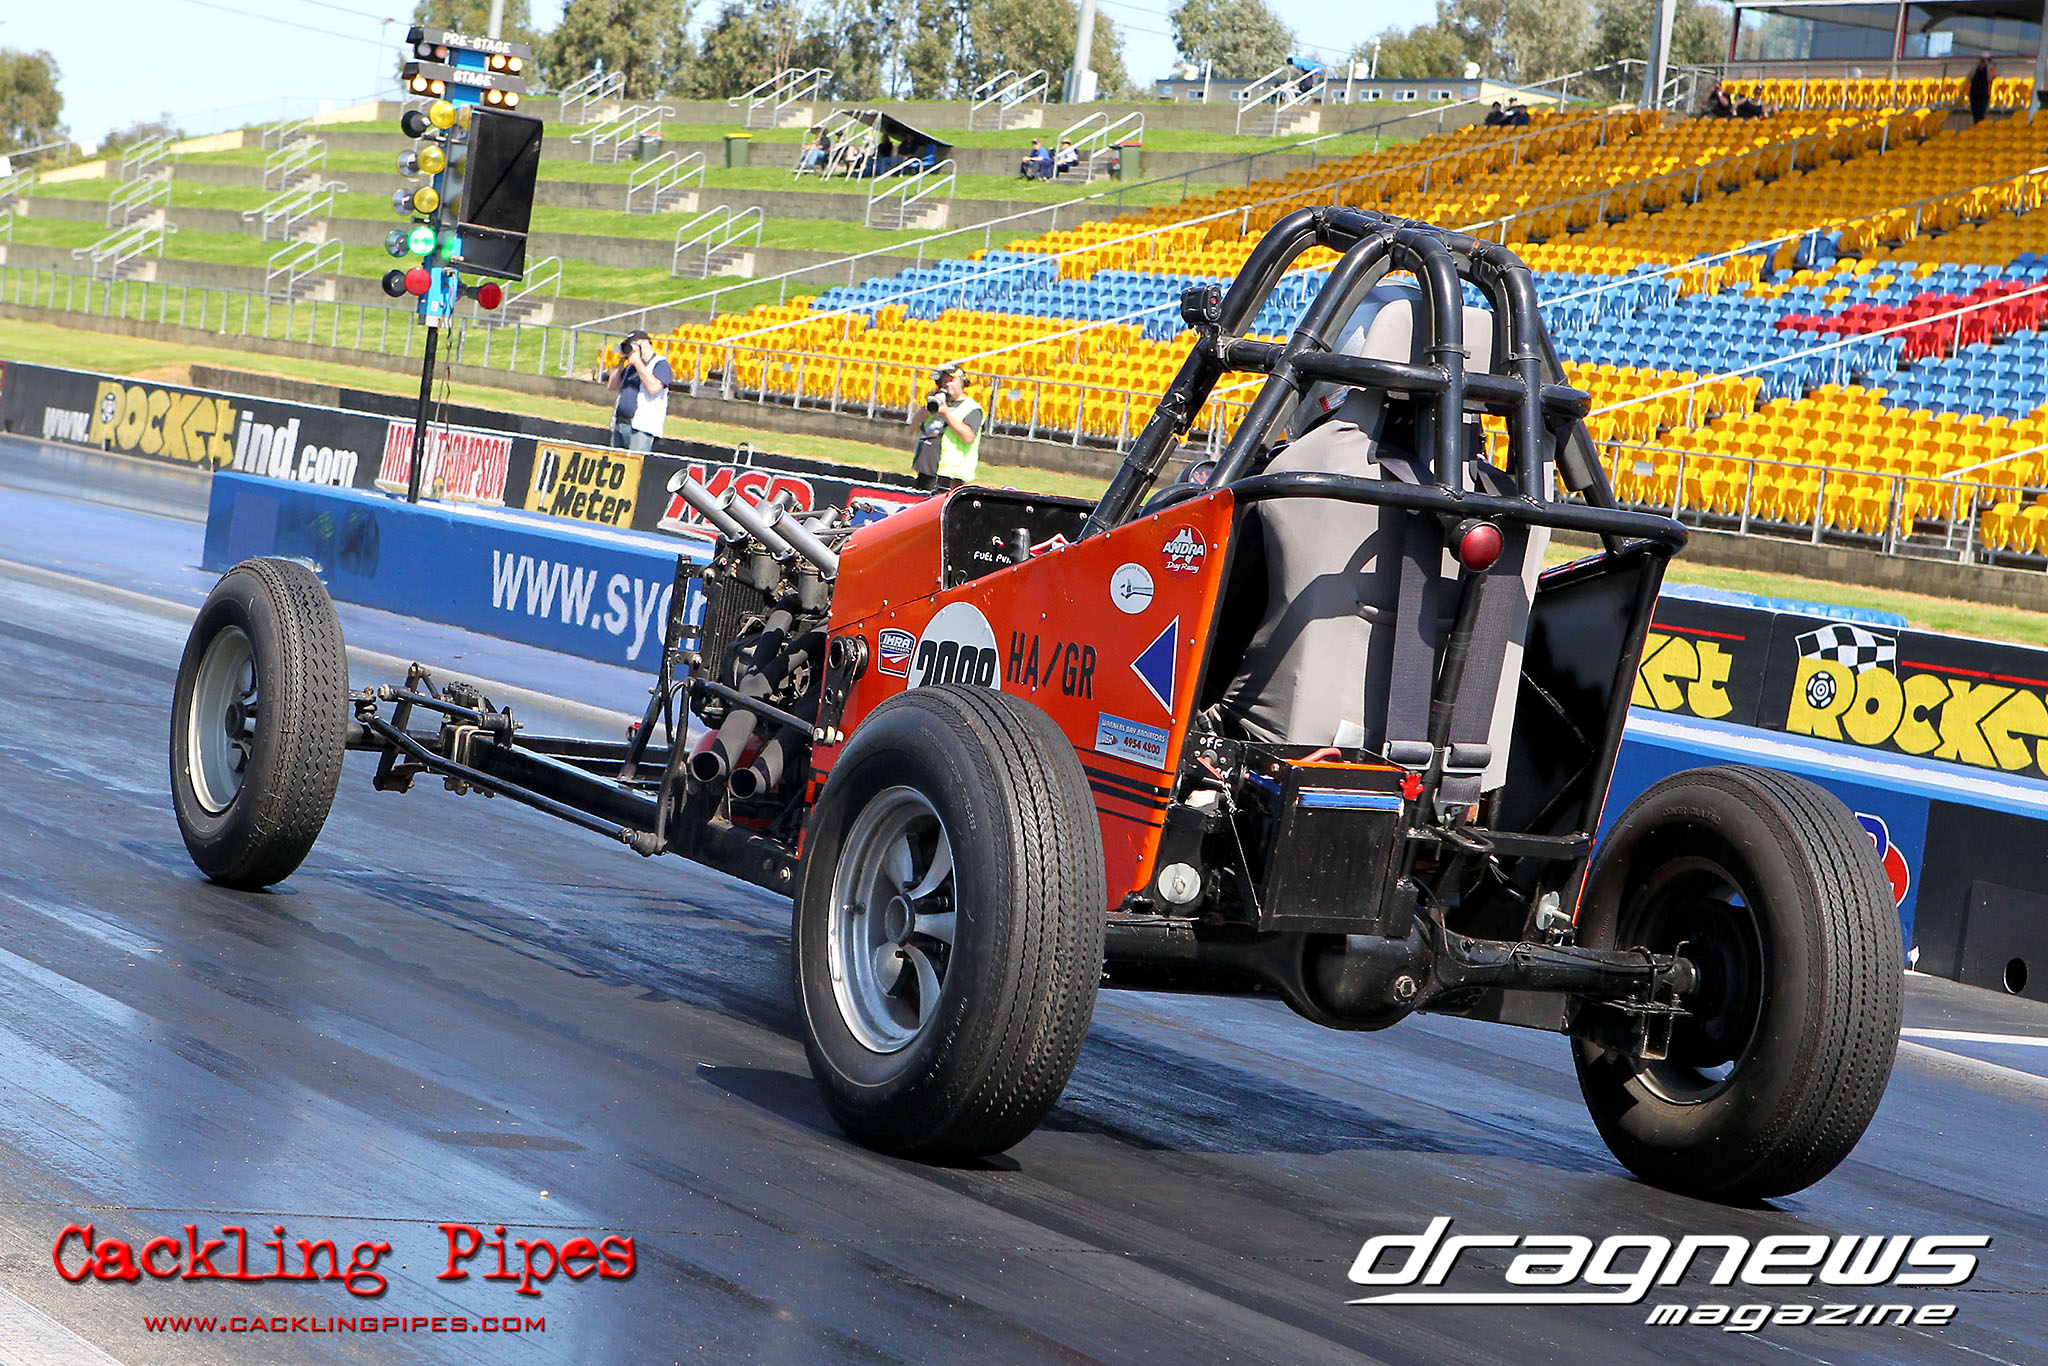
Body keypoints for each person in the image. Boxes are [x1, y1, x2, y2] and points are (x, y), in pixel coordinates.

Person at [911, 365, 982, 491]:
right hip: (925, 470)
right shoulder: (936, 404)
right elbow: (913, 427)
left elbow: (968, 437)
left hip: (950, 475)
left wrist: (946, 415)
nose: (947, 384)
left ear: (962, 382)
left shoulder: (972, 408)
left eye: (951, 380)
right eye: (944, 381)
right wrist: (926, 408)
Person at [606, 331, 673, 453]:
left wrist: (637, 362)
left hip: (642, 427)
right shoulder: (630, 368)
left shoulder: (660, 364)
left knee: (634, 462)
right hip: (621, 423)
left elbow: (654, 388)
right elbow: (612, 386)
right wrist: (620, 362)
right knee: (616, 462)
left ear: (643, 344)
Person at [1969, 53, 1995, 123]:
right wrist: (1977, 66)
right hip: (1974, 93)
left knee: (1981, 113)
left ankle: (1980, 125)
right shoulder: (1975, 68)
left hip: (1984, 94)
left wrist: (1988, 66)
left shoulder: (1991, 69)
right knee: (1974, 112)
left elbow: (1990, 78)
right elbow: (1969, 77)